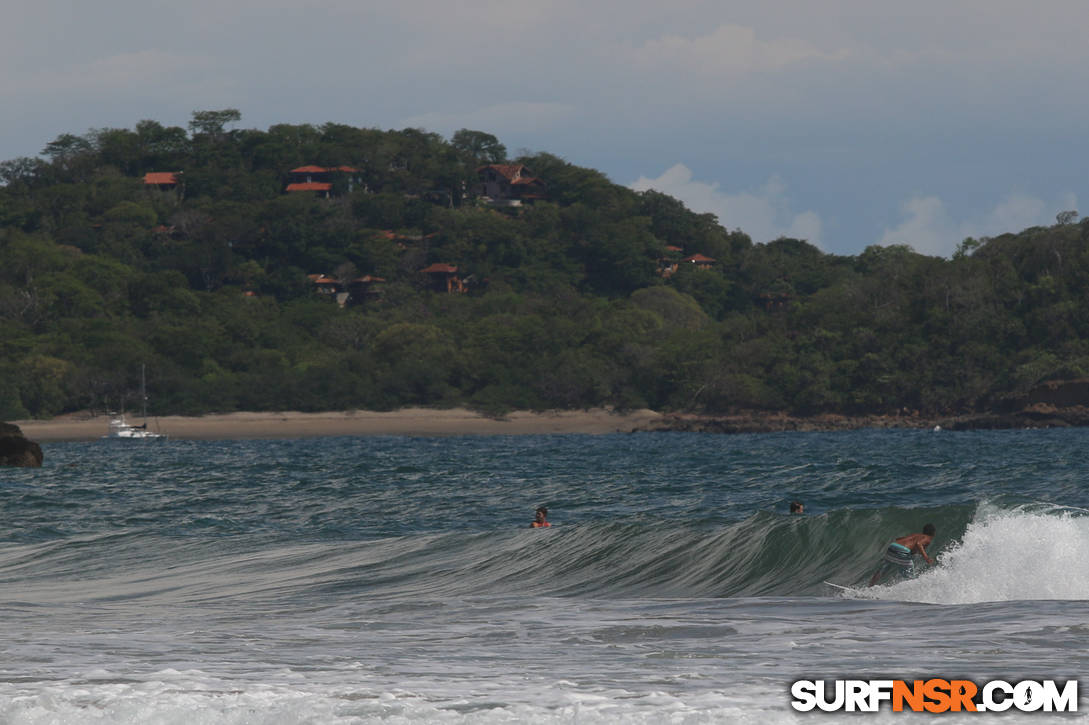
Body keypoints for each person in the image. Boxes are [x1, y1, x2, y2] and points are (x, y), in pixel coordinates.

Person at [869, 524, 935, 585]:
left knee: (883, 569)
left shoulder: (915, 535)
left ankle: (870, 586)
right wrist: (926, 558)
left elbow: (899, 539)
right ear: (933, 533)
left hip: (892, 546)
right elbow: (918, 544)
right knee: (910, 576)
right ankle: (910, 592)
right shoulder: (928, 538)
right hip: (902, 550)